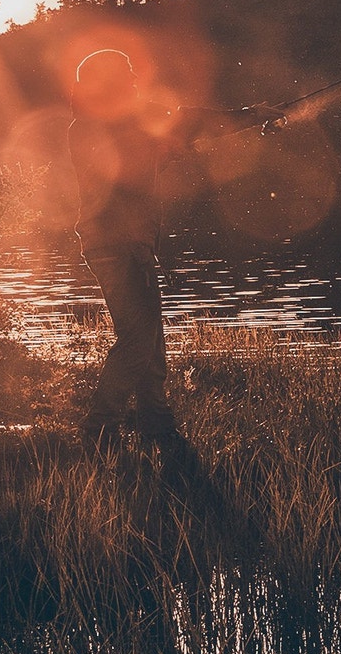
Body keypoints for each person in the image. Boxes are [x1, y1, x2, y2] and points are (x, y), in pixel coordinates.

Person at [66, 48, 277, 448]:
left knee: (149, 334)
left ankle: (156, 422)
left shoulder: (97, 123)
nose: (133, 80)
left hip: (128, 242)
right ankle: (99, 426)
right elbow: (188, 121)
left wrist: (166, 152)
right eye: (126, 74)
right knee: (140, 338)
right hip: (119, 244)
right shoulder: (103, 122)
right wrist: (252, 114)